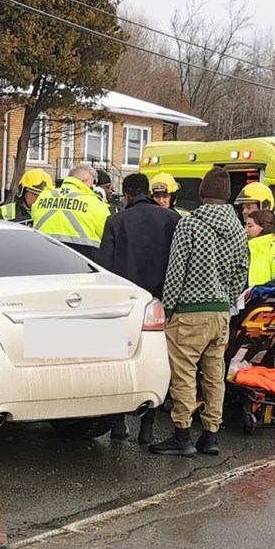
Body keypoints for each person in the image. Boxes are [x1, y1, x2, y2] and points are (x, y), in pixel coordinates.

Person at [151, 167, 249, 458]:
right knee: (214, 375)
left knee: (184, 375)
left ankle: (182, 434)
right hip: (221, 313)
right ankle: (211, 435)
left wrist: (168, 308)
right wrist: (228, 301)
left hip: (189, 312)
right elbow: (241, 271)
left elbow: (176, 269)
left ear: (203, 193)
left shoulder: (190, 224)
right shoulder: (237, 229)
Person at [99, 172, 180, 443]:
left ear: (128, 194)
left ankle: (118, 424)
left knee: (121, 363)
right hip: (160, 304)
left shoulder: (115, 221)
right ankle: (148, 427)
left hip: (125, 304)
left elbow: (105, 267)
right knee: (157, 364)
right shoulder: (173, 220)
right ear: (148, 192)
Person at [32, 164, 111, 259]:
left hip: (44, 259)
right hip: (83, 265)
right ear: (84, 181)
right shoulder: (95, 203)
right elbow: (108, 237)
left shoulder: (43, 197)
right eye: (91, 186)